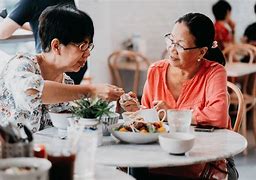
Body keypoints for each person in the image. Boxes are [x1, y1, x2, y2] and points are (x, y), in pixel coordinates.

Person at [120, 13, 238, 179]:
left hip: (201, 164)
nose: (172, 49)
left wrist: (171, 113)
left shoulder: (214, 72)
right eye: (170, 40)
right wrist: (137, 110)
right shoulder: (156, 71)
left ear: (202, 52)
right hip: (158, 161)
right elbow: (149, 119)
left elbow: (217, 116)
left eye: (180, 45)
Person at [0, 4, 124, 133]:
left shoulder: (67, 82)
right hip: (10, 150)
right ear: (56, 46)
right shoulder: (20, 65)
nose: (88, 53)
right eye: (82, 46)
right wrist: (90, 90)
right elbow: (33, 92)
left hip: (47, 149)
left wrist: (128, 110)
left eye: (89, 46)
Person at [0, 0, 87, 85]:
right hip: (76, 63)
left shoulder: (29, 2)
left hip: (52, 66)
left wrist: (13, 18)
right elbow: (51, 28)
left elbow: (3, 33)